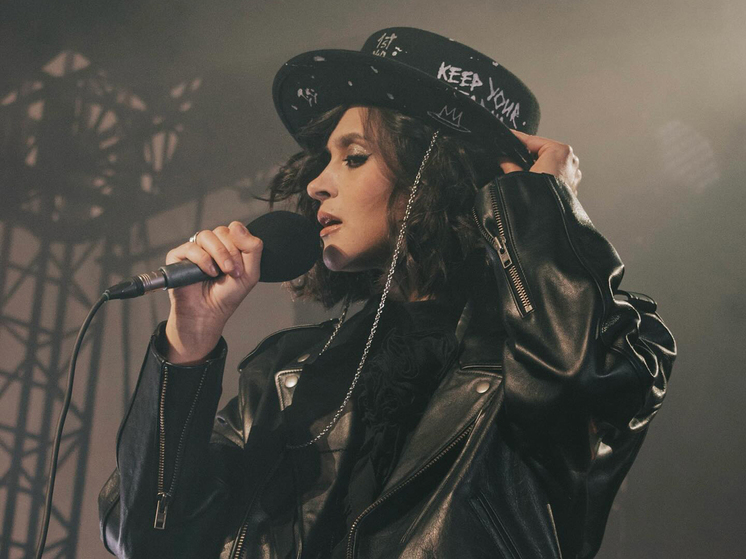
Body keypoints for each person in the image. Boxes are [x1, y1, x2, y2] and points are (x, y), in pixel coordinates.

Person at [98, 28, 675, 559]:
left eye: (354, 157)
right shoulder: (287, 372)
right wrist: (189, 344)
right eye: (324, 160)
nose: (316, 184)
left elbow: (574, 384)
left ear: (437, 171)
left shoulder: (588, 343)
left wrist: (542, 206)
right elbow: (146, 539)